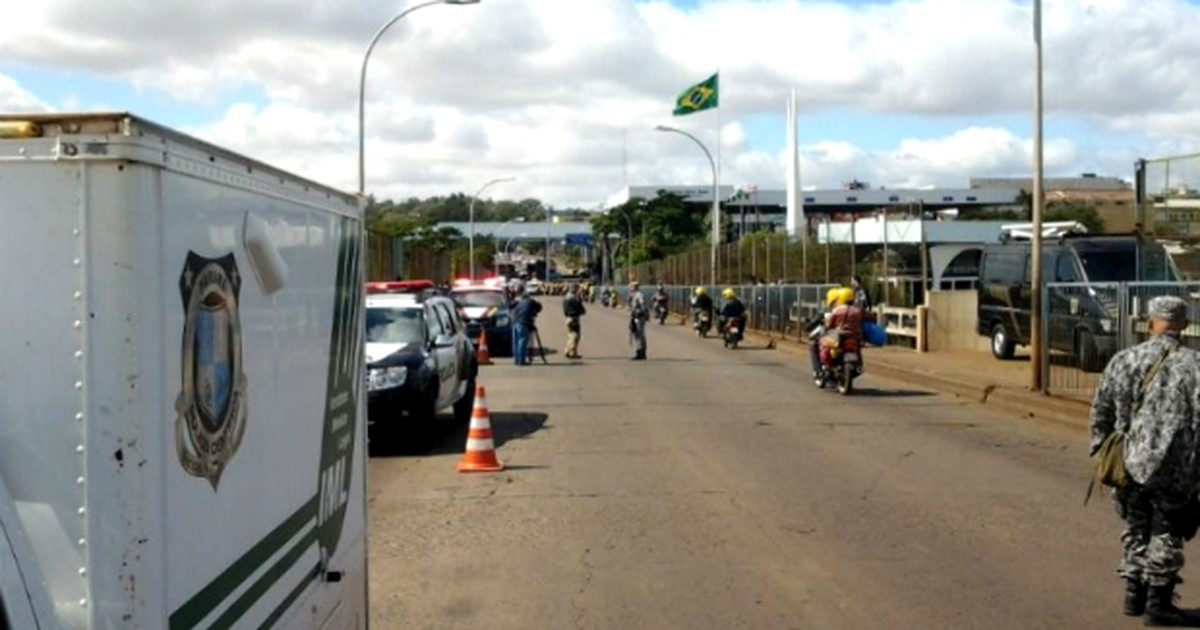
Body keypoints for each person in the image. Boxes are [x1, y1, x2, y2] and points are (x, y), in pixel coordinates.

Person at [1090, 295, 1200, 625]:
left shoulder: (1123, 360)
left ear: (1150, 323)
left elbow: (1101, 411)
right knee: (1166, 532)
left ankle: (1133, 595)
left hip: (1128, 463)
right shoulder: (1194, 365)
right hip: (1175, 467)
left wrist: (1101, 451)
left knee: (1136, 527)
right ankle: (1158, 603)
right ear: (1183, 325)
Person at [813, 287, 867, 378]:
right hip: (855, 337)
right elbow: (870, 318)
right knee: (858, 349)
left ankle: (825, 367)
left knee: (822, 343)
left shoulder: (837, 310)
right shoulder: (858, 310)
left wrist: (826, 327)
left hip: (839, 336)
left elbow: (829, 324)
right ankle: (859, 366)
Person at [510, 285, 542, 366]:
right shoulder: (530, 301)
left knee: (516, 342)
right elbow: (539, 307)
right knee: (522, 341)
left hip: (515, 323)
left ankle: (516, 360)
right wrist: (534, 312)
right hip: (523, 323)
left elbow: (509, 305)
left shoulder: (518, 302)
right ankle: (521, 360)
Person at [563, 283, 587, 359]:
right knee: (575, 336)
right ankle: (571, 352)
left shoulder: (566, 297)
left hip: (568, 318)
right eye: (576, 289)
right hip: (574, 318)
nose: (577, 290)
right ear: (573, 289)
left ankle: (568, 351)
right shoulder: (573, 298)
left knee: (570, 335)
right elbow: (580, 307)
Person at [628, 281, 649, 360]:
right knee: (637, 334)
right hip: (635, 316)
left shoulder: (639, 295)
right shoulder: (634, 295)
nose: (630, 288)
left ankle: (641, 352)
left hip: (639, 317)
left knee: (639, 334)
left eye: (631, 287)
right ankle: (639, 351)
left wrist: (644, 314)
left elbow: (643, 305)